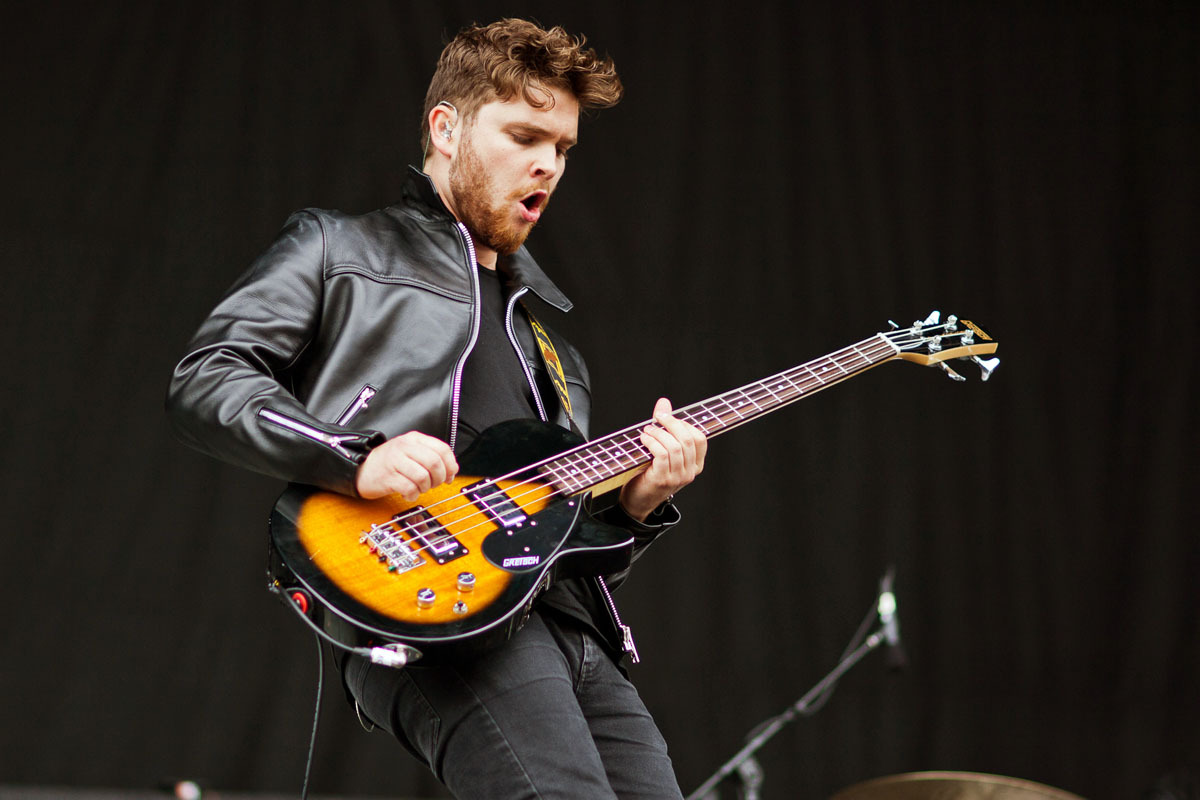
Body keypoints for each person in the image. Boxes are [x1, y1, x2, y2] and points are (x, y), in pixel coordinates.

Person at [166, 17, 707, 800]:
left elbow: (560, 538)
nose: (548, 165)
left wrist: (636, 507)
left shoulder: (558, 357)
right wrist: (355, 456)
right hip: (434, 614)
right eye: (524, 136)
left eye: (562, 148)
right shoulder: (340, 250)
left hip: (574, 635)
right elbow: (206, 375)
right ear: (446, 129)